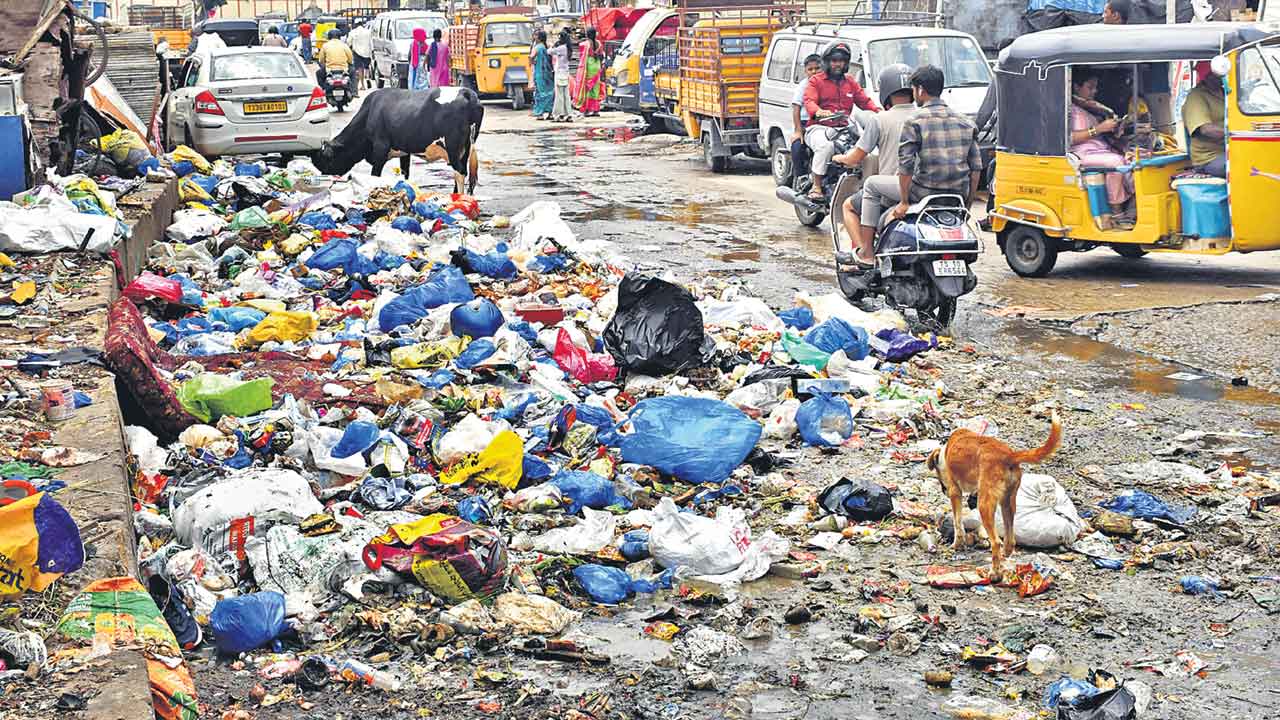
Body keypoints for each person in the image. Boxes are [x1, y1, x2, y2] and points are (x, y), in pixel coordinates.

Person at [863, 65, 981, 227]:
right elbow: (975, 170)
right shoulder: (967, 122)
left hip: (923, 192)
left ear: (920, 90)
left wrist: (904, 202)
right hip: (957, 195)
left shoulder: (914, 121)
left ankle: (866, 251)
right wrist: (966, 206)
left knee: (870, 184)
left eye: (913, 89)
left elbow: (906, 165)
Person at [832, 63, 918, 266]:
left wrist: (839, 158)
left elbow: (856, 158)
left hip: (894, 191)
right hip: (926, 186)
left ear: (886, 90)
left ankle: (865, 253)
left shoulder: (880, 120)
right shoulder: (923, 117)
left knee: (849, 206)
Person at [802, 43, 880, 201]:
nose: (838, 64)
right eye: (834, 60)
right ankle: (816, 186)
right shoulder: (815, 81)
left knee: (868, 149)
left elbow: (864, 101)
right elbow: (809, 101)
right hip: (819, 127)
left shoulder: (850, 82)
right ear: (827, 61)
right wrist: (818, 111)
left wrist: (880, 111)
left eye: (842, 60)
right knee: (825, 146)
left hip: (845, 127)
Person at [1069, 68, 1133, 224]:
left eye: (1095, 87)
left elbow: (1102, 135)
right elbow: (1068, 138)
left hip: (1100, 150)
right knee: (1116, 163)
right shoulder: (1070, 109)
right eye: (1090, 87)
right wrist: (1098, 129)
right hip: (1082, 154)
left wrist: (1115, 130)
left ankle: (1133, 203)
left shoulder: (1091, 108)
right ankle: (1116, 210)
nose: (1094, 91)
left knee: (1134, 157)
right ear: (1077, 87)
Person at [1182, 61, 1227, 177]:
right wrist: (1233, 133)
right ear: (1206, 76)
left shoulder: (1225, 92)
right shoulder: (1196, 96)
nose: (1220, 77)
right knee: (1242, 164)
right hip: (1209, 158)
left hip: (1228, 150)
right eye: (1215, 74)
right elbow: (1206, 129)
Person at [789, 54, 822, 184]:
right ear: (805, 71)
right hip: (805, 123)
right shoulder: (804, 85)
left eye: (817, 68)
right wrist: (798, 131)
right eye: (810, 69)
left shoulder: (826, 83)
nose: (814, 71)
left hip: (823, 122)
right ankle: (801, 176)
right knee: (797, 147)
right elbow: (796, 107)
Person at [574, 27, 604, 117]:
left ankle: (587, 109)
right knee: (595, 88)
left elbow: (581, 52)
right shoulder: (599, 43)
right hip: (597, 65)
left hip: (588, 65)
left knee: (587, 88)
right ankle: (595, 110)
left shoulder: (585, 44)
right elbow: (601, 55)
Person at [530, 29, 555, 120]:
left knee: (540, 93)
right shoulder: (546, 46)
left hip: (540, 72)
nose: (534, 37)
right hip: (548, 72)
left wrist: (532, 62)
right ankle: (549, 112)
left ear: (539, 37)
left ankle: (539, 112)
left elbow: (531, 57)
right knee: (549, 92)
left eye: (536, 35)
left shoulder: (537, 47)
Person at [550, 29, 573, 122]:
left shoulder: (561, 48)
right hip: (566, 72)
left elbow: (549, 51)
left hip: (559, 73)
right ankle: (568, 114)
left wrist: (554, 44)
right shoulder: (568, 48)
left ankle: (558, 114)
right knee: (566, 95)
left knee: (559, 95)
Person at [348, 21, 372, 90]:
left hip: (357, 52)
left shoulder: (353, 32)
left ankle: (362, 85)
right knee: (366, 67)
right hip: (367, 52)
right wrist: (371, 51)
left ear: (355, 25)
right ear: (362, 24)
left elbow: (348, 42)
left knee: (359, 69)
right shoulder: (368, 31)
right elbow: (371, 42)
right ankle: (367, 78)